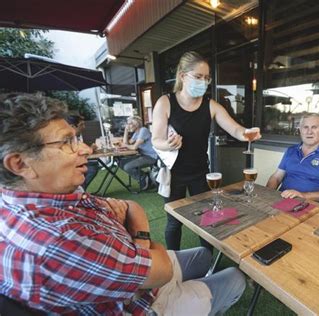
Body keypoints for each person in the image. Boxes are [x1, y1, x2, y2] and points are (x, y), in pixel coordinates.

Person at [0, 93, 246, 315]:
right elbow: (161, 270)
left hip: (136, 275)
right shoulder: (59, 239)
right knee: (236, 277)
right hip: (143, 304)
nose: (85, 149)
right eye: (66, 142)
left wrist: (131, 224)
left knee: (203, 255)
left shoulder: (42, 197)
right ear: (20, 164)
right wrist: (139, 234)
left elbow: (131, 206)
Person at [151, 51, 261, 251]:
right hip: (173, 173)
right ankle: (174, 262)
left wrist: (247, 134)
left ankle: (206, 260)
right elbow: (156, 140)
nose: (203, 82)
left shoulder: (211, 105)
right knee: (174, 221)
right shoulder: (166, 102)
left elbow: (235, 128)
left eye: (206, 77)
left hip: (200, 172)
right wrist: (169, 144)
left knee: (208, 218)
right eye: (198, 76)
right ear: (183, 76)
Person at [266, 113, 319, 203]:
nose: (309, 132)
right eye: (305, 127)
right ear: (300, 130)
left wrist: (303, 195)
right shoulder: (291, 150)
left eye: (314, 127)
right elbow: (276, 177)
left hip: (310, 204)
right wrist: (268, 195)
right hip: (282, 199)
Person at [119, 116, 158, 190]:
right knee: (121, 163)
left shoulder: (143, 130)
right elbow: (127, 143)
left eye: (130, 124)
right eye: (127, 124)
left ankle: (144, 178)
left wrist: (125, 145)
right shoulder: (136, 133)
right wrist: (126, 131)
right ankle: (144, 177)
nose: (128, 126)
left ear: (136, 124)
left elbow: (134, 147)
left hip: (152, 156)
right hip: (143, 155)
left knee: (127, 167)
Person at [66, 113, 99, 189]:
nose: (84, 127)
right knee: (92, 168)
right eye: (81, 125)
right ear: (72, 126)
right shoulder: (68, 139)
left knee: (93, 165)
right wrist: (91, 149)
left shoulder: (76, 136)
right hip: (72, 166)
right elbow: (77, 154)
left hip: (76, 164)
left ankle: (81, 190)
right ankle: (80, 190)